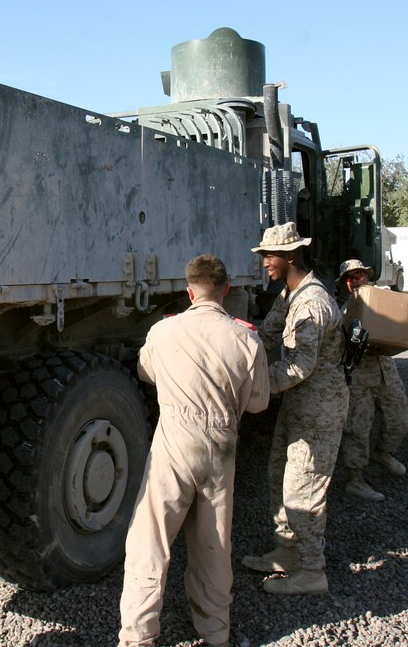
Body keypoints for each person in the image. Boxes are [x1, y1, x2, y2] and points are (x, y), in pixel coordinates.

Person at [118, 255, 269, 647]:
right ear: (226, 290)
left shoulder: (163, 332)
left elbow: (145, 373)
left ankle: (138, 637)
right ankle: (215, 630)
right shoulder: (246, 338)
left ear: (189, 291)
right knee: (214, 544)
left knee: (149, 542)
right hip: (221, 448)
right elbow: (257, 403)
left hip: (174, 441)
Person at [240, 222, 347, 595]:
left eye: (268, 256)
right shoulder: (290, 294)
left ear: (288, 256)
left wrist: (251, 385)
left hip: (319, 407)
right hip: (299, 403)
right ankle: (286, 551)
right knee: (278, 476)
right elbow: (267, 334)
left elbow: (301, 364)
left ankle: (312, 570)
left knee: (305, 488)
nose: (264, 262)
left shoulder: (312, 303)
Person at [335, 259, 408, 502]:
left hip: (385, 371)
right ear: (344, 283)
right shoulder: (341, 311)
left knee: (401, 416)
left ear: (367, 277)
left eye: (360, 275)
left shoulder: (381, 299)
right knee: (357, 428)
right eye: (350, 277)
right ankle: (355, 480)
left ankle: (383, 452)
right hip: (358, 376)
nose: (356, 280)